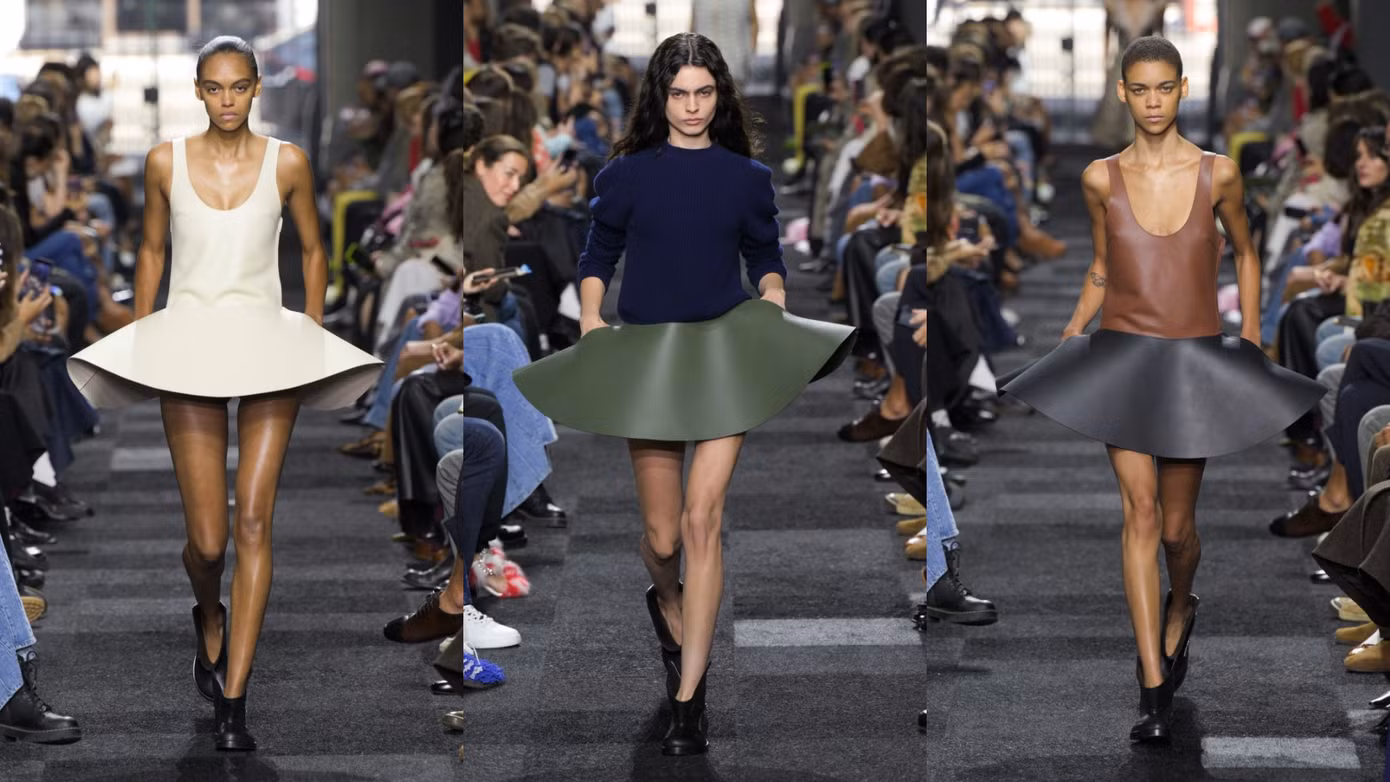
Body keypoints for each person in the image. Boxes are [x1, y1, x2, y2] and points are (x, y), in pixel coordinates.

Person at [512, 32, 855, 755]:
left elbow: (765, 253)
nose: (693, 106)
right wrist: (593, 316)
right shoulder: (626, 175)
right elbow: (599, 253)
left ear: (718, 95)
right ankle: (666, 600)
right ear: (660, 98)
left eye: (703, 93)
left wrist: (772, 294)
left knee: (703, 520)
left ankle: (690, 697)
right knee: (663, 538)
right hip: (651, 356)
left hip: (726, 353)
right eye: (679, 94)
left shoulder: (747, 177)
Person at [999, 36, 1324, 743]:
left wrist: (1252, 337)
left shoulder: (1219, 173)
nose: (1152, 102)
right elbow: (1102, 265)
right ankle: (1152, 687)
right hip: (1122, 359)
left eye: (1164, 88)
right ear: (1123, 92)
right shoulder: (1099, 178)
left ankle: (1182, 604)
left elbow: (1245, 252)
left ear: (1182, 89)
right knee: (1140, 514)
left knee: (1177, 530)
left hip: (1192, 363)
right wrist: (1071, 332)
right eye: (1140, 89)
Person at [65, 36, 380, 751]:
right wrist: (142, 340)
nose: (228, 99)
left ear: (257, 87)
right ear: (198, 90)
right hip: (189, 344)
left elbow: (314, 249)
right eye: (215, 87)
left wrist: (310, 333)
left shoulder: (288, 162)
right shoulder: (164, 162)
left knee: (255, 523)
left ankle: (234, 699)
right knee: (208, 543)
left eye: (239, 86)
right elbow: (151, 250)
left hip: (268, 343)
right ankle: (208, 613)